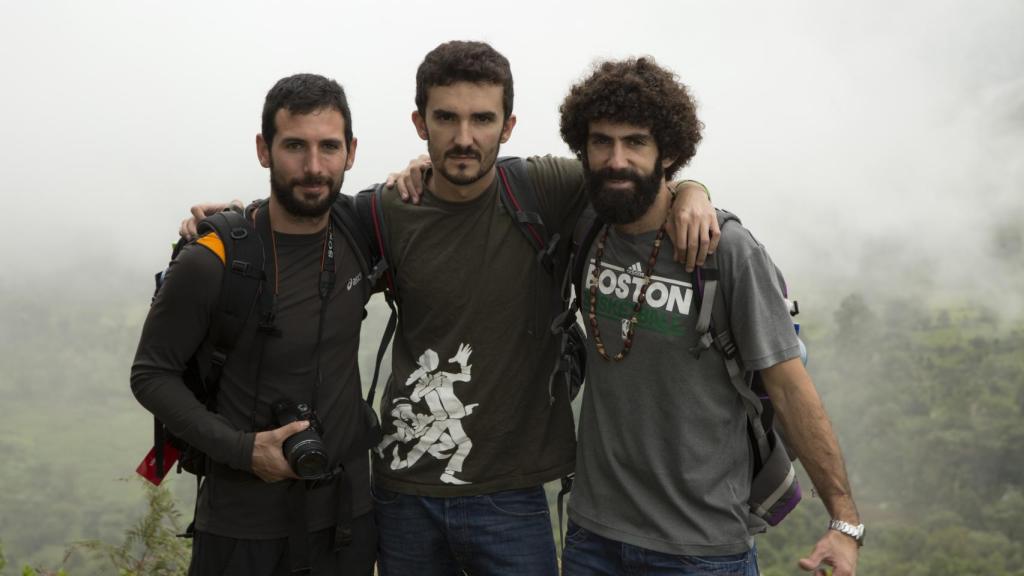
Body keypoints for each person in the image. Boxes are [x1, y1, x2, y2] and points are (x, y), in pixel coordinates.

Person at [180, 41, 718, 575]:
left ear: (508, 126)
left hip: (513, 495)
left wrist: (692, 190)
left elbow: (630, 181)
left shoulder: (545, 189)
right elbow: (303, 212)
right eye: (446, 118)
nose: (464, 137)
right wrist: (231, 221)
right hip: (402, 493)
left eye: (482, 119)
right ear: (420, 123)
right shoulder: (388, 209)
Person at [556, 57, 862, 576]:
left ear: (669, 153)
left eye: (636, 142)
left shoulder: (727, 251)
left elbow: (790, 389)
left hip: (701, 549)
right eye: (601, 141)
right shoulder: (587, 225)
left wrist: (844, 521)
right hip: (593, 538)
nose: (616, 159)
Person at [131, 73, 377, 575]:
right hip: (240, 530)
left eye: (329, 147)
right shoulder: (213, 259)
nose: (314, 167)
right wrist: (244, 451)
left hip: (347, 521)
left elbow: (450, 189)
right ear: (264, 150)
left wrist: (419, 167)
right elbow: (151, 374)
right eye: (294, 146)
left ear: (351, 152)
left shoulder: (362, 231)